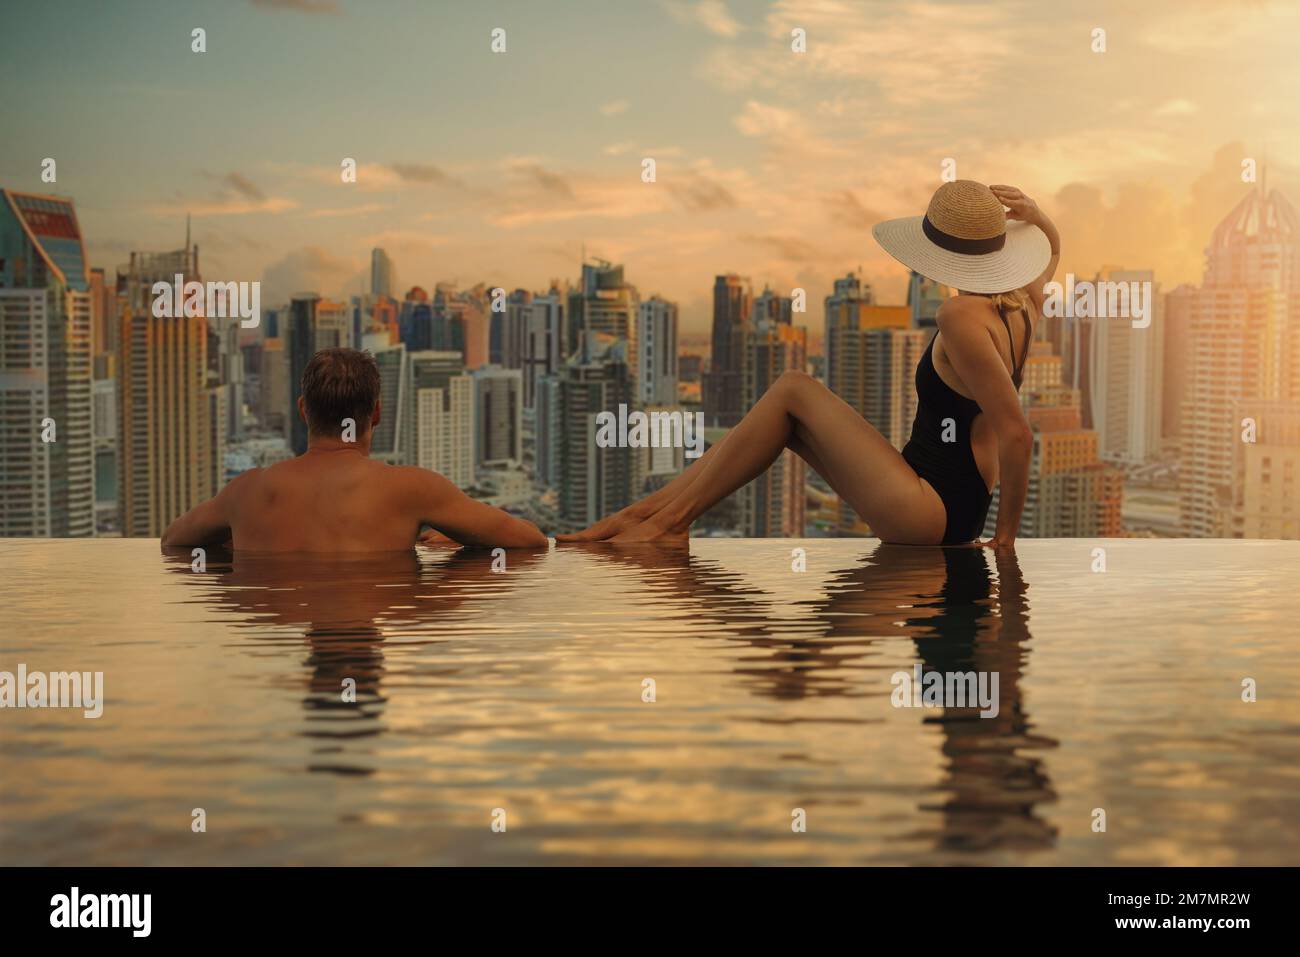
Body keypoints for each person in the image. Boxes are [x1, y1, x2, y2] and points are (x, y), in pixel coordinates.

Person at [558, 180, 1059, 549]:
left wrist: (1005, 539)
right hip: (946, 502)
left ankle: (664, 525)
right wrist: (1038, 218)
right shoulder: (1023, 304)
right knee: (785, 422)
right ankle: (647, 516)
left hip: (932, 510)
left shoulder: (958, 315)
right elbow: (1052, 255)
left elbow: (1016, 432)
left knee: (794, 388)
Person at [161, 348, 548, 552]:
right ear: (376, 412)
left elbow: (173, 541)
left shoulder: (244, 492)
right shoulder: (412, 489)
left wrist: (239, 536)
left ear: (302, 410)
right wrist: (466, 536)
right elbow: (530, 540)